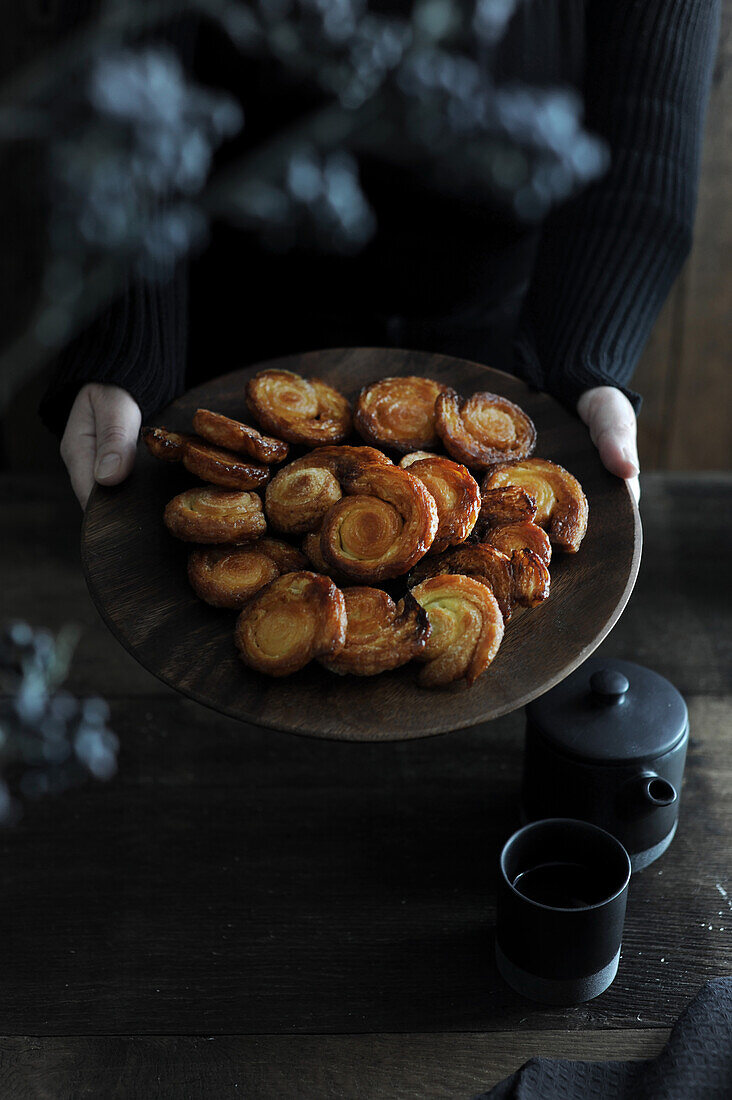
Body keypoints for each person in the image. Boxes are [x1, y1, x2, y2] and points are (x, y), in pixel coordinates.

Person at [42, 0, 719, 508]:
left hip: (504, 348)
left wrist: (584, 369)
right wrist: (122, 333)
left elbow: (641, 148)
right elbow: (122, 61)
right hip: (217, 320)